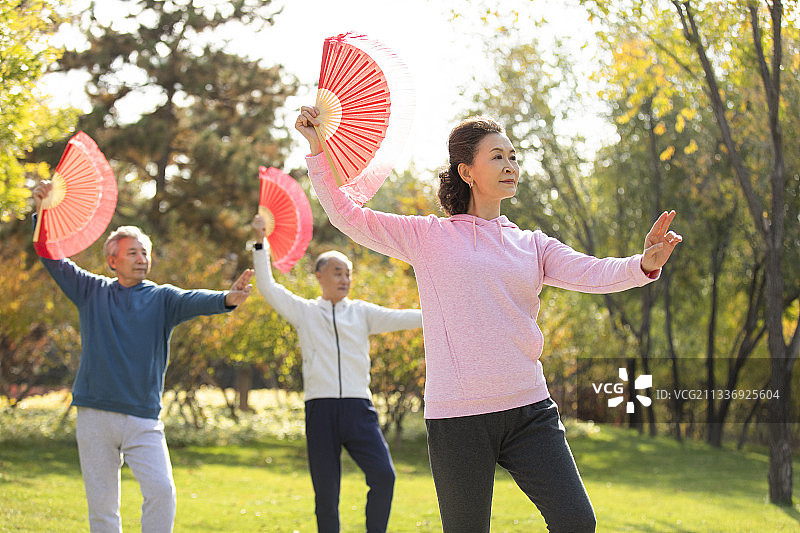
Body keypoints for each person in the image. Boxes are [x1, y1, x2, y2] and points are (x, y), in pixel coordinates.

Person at [294, 107, 683, 532]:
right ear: (467, 172)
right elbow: (348, 215)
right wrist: (317, 149)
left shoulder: (532, 245)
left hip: (529, 410)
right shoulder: (429, 237)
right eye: (497, 156)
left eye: (513, 156)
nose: (510, 165)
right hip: (457, 418)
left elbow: (592, 271)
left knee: (576, 521)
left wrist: (643, 263)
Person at [32, 181, 254, 533]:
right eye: (133, 252)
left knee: (162, 491)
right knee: (103, 507)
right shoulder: (90, 291)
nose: (141, 259)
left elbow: (194, 299)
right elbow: (52, 257)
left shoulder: (163, 298)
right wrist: (42, 211)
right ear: (113, 261)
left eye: (145, 253)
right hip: (95, 414)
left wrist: (227, 298)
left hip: (142, 417)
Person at [250, 214, 422, 533]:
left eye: (348, 274)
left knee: (384, 476)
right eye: (337, 273)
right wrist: (260, 242)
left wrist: (443, 312)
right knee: (326, 495)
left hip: (359, 409)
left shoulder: (361, 313)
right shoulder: (304, 312)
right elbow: (267, 286)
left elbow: (405, 317)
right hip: (321, 410)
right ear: (319, 276)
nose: (344, 279)